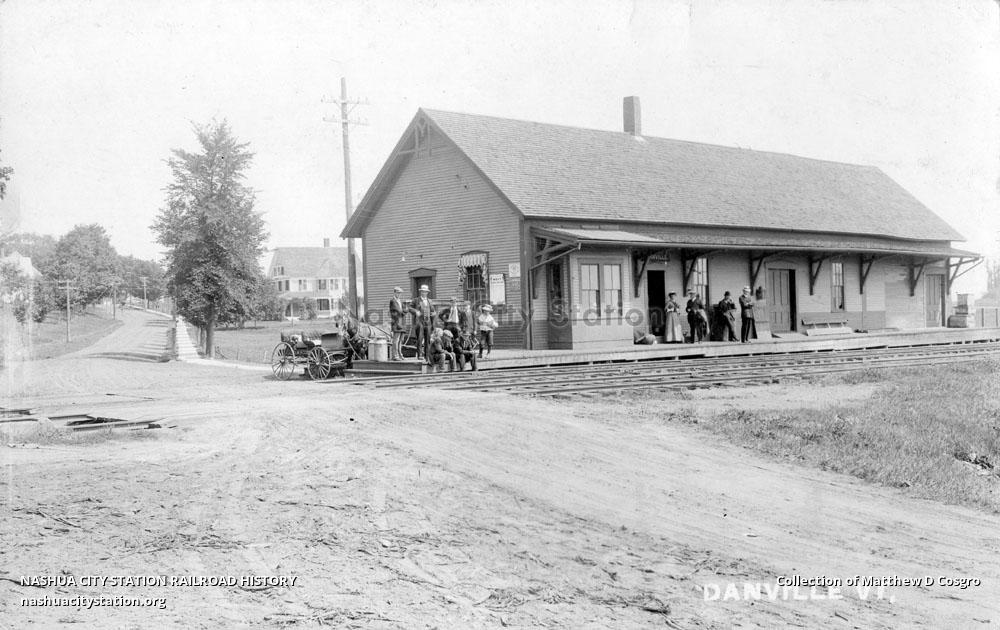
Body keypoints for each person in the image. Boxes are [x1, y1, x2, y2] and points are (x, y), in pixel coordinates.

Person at [408, 285, 436, 363]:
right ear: (421, 292)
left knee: (427, 339)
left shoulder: (430, 301)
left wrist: (434, 313)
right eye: (423, 292)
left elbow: (433, 311)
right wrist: (415, 311)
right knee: (420, 338)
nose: (424, 293)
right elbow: (409, 308)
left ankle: (427, 355)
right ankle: (420, 354)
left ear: (427, 292)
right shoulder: (416, 300)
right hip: (419, 322)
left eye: (425, 292)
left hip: (428, 322)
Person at [388, 286, 406, 361]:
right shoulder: (393, 301)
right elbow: (397, 310)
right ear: (394, 293)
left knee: (400, 340)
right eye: (398, 293)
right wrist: (403, 311)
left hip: (401, 322)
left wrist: (404, 311)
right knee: (396, 340)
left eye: (400, 293)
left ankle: (400, 354)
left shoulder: (400, 301)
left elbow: (405, 309)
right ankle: (395, 355)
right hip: (396, 322)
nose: (399, 294)